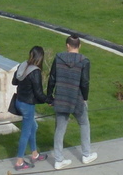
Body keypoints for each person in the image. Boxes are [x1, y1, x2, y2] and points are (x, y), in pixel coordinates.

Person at [48, 34, 95, 169]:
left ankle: (58, 160)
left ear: (67, 45)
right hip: (78, 97)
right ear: (79, 46)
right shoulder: (84, 61)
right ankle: (86, 155)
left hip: (61, 97)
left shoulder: (58, 58)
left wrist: (50, 96)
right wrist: (85, 98)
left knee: (60, 129)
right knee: (84, 124)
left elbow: (52, 78)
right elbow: (85, 82)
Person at [11, 45, 52, 170]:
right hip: (27, 104)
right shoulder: (35, 72)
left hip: (19, 101)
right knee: (26, 132)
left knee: (33, 127)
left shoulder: (22, 65)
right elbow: (39, 93)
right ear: (40, 57)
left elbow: (14, 82)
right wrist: (49, 100)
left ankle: (34, 154)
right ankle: (19, 161)